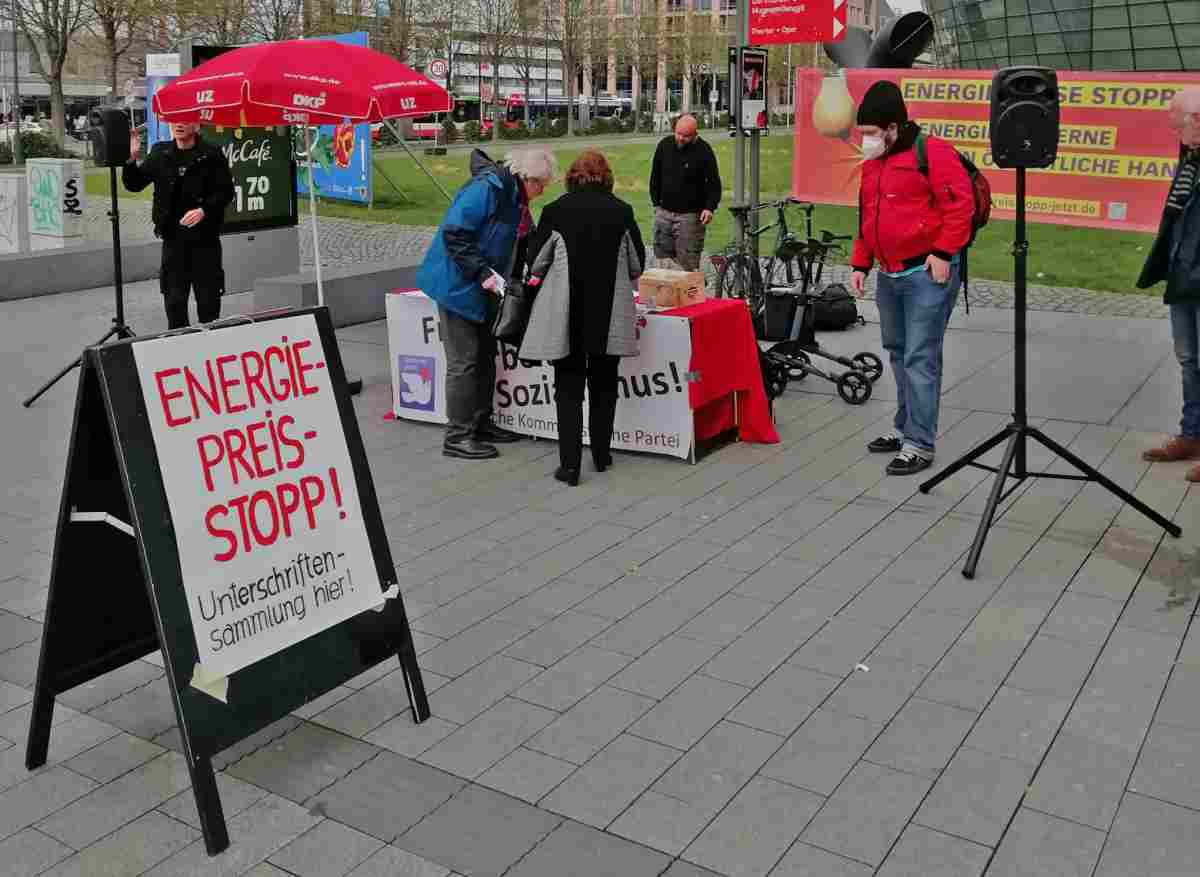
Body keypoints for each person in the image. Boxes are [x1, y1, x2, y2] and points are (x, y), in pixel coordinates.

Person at [849, 80, 974, 476]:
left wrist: (942, 252)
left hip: (926, 272)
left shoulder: (932, 152)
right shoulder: (874, 164)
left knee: (920, 358)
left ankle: (920, 443)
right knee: (899, 353)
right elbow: (867, 217)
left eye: (870, 134)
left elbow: (960, 207)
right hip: (889, 273)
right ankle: (904, 429)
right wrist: (859, 263)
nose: (865, 141)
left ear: (892, 127)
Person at [417, 148, 556, 460]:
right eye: (541, 184)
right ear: (526, 178)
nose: (543, 190)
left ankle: (480, 422)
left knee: (484, 356)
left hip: (485, 288)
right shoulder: (487, 189)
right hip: (459, 285)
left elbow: (519, 241)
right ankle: (458, 435)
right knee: (464, 362)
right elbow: (455, 233)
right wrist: (481, 272)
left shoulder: (514, 197)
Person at [521, 150, 645, 486]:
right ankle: (602, 456)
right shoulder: (622, 211)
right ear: (607, 177)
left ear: (572, 177)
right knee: (605, 385)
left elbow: (536, 263)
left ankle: (570, 465)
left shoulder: (554, 212)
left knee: (568, 388)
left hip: (567, 313)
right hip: (609, 315)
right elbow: (637, 265)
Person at [1139, 86, 1200, 478]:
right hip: (1184, 277)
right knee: (1190, 361)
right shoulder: (1191, 157)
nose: (1171, 129)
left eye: (1176, 122)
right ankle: (1192, 434)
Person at [123, 122, 235, 330]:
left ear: (197, 125)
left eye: (185, 120)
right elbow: (134, 184)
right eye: (175, 120)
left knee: (208, 304)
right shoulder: (160, 152)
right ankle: (180, 348)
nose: (179, 125)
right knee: (174, 303)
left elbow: (226, 192)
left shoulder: (212, 153)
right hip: (173, 242)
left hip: (205, 242)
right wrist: (132, 157)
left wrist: (204, 211)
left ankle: (209, 351)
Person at [648, 114, 721, 271]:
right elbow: (655, 176)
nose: (680, 138)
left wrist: (709, 208)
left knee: (686, 266)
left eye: (685, 136)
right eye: (678, 133)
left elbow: (714, 184)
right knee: (663, 263)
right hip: (664, 213)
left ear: (695, 135)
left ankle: (688, 293)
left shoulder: (704, 151)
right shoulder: (664, 145)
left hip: (690, 217)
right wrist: (656, 204)